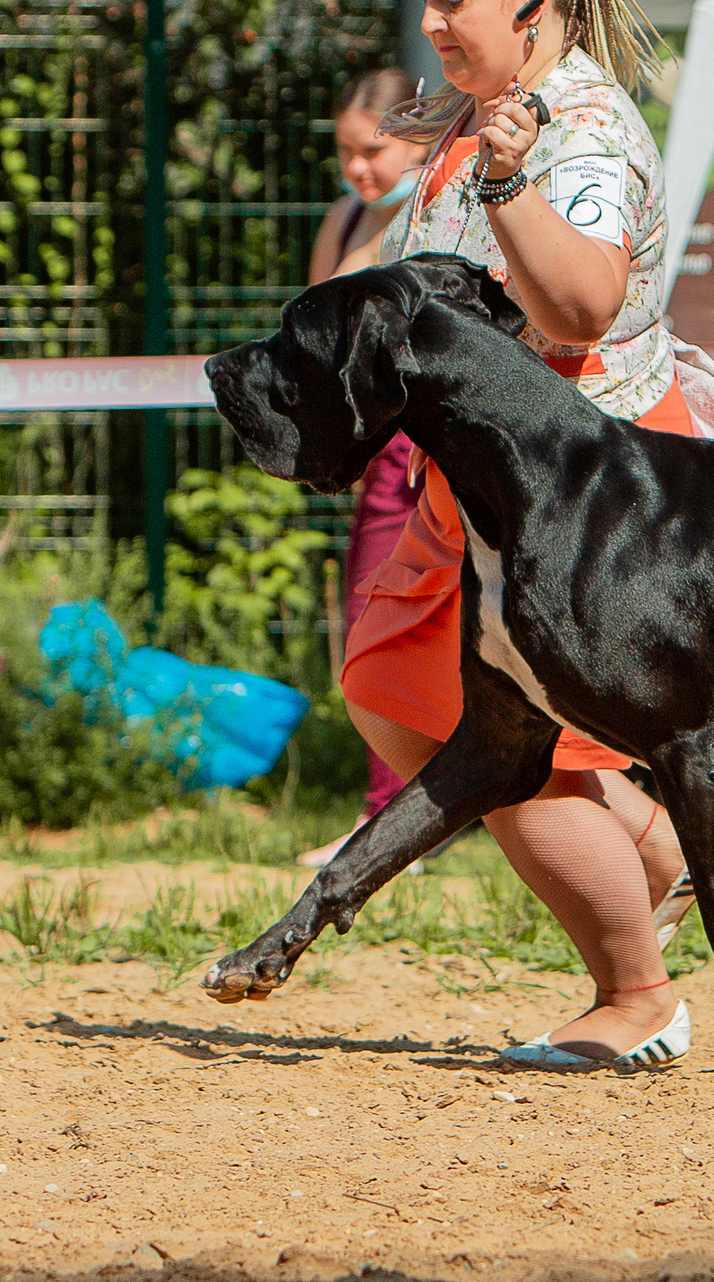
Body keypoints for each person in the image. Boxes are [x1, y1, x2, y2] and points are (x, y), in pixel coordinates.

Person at [337, 0, 714, 1069]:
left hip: (581, 499)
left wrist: (503, 182)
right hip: (492, 489)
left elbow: (583, 298)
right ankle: (660, 856)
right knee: (394, 689)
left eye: (456, 0)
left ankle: (636, 994)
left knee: (496, 746)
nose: (431, 25)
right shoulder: (483, 108)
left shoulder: (575, 125)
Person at [294, 67, 427, 871]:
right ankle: (392, 813)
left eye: (371, 152)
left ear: (412, 139)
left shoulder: (431, 206)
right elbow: (318, 319)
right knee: (374, 623)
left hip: (427, 447)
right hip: (377, 449)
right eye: (345, 153)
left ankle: (402, 819)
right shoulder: (349, 214)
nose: (356, 171)